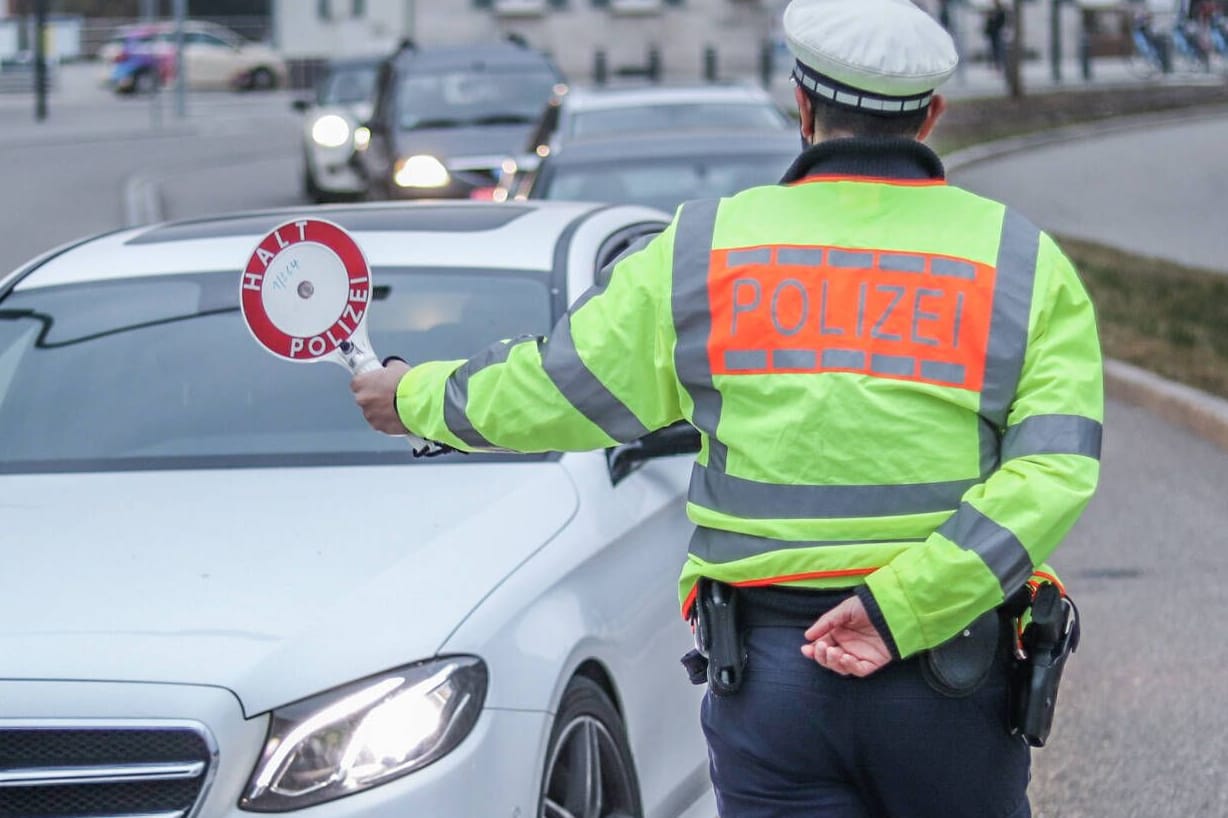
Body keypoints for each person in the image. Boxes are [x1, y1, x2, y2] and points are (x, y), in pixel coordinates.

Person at [352, 0, 1103, 815]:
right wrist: (903, 609)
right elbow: (1054, 472)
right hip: (950, 669)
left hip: (775, 676)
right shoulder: (1022, 262)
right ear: (931, 116)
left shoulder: (703, 251)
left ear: (802, 104)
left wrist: (413, 395)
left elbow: (559, 390)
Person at [984, 0, 1008, 71]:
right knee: (993, 50)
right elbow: (988, 23)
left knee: (998, 50)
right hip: (992, 34)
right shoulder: (992, 11)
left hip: (997, 33)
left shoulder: (1000, 11)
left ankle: (999, 66)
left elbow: (1001, 22)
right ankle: (995, 65)